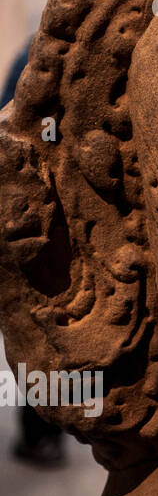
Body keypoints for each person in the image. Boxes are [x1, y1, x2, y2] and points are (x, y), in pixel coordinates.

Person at [4, 36, 66, 466]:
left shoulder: (28, 57)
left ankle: (40, 430)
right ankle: (48, 425)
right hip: (60, 213)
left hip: (35, 210)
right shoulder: (63, 56)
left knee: (37, 323)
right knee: (50, 320)